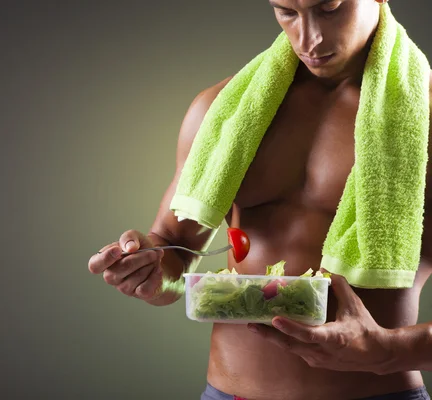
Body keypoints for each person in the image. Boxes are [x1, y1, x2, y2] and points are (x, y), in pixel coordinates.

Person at [88, 0, 432, 399]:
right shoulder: (224, 112)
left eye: (329, 8)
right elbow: (171, 253)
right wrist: (148, 271)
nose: (309, 38)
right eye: (286, 11)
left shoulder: (425, 116)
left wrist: (389, 351)